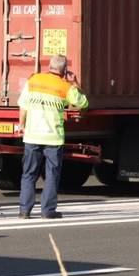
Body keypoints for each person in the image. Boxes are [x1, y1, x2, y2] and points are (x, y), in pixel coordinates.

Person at [17, 54, 89, 220]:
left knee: (29, 174)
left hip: (32, 136)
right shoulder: (65, 87)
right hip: (53, 139)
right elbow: (83, 102)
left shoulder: (33, 81)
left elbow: (23, 106)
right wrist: (75, 83)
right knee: (51, 175)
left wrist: (22, 125)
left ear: (49, 66)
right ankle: (47, 211)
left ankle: (24, 211)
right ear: (64, 70)